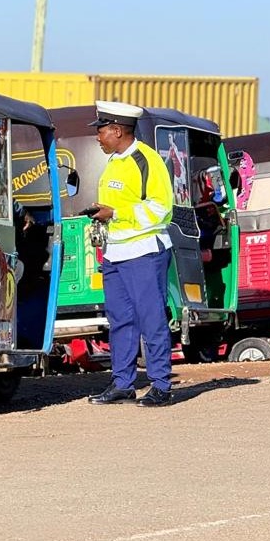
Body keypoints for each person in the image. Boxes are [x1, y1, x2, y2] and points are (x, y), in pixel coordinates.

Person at [84, 101, 176, 408]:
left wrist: (115, 212)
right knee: (120, 320)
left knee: (151, 319)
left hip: (144, 252)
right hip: (115, 252)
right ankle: (123, 383)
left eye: (100, 131)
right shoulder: (114, 161)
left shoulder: (146, 160)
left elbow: (161, 209)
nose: (97, 138)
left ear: (117, 130)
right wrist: (102, 214)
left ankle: (161, 385)